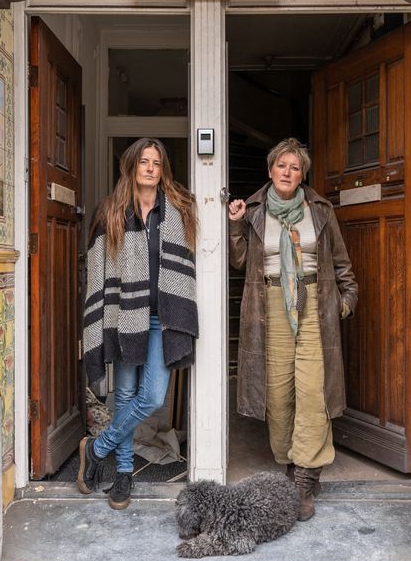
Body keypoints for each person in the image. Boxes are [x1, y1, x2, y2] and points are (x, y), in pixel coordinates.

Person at [228, 137, 357, 521]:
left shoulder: (319, 209)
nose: (287, 172)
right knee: (279, 390)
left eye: (295, 167)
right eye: (281, 166)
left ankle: (304, 477)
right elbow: (238, 261)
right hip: (270, 306)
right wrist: (235, 224)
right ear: (270, 171)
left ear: (303, 175)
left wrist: (344, 304)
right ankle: (288, 461)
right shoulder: (253, 210)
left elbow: (341, 263)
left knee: (312, 388)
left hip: (316, 303)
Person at [79, 138, 199, 509]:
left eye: (157, 163)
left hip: (162, 316)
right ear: (130, 167)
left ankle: (97, 450)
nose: (150, 168)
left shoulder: (177, 210)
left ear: (163, 170)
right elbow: (98, 269)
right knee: (126, 395)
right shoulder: (110, 212)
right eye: (144, 162)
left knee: (152, 397)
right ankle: (124, 475)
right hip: (124, 313)